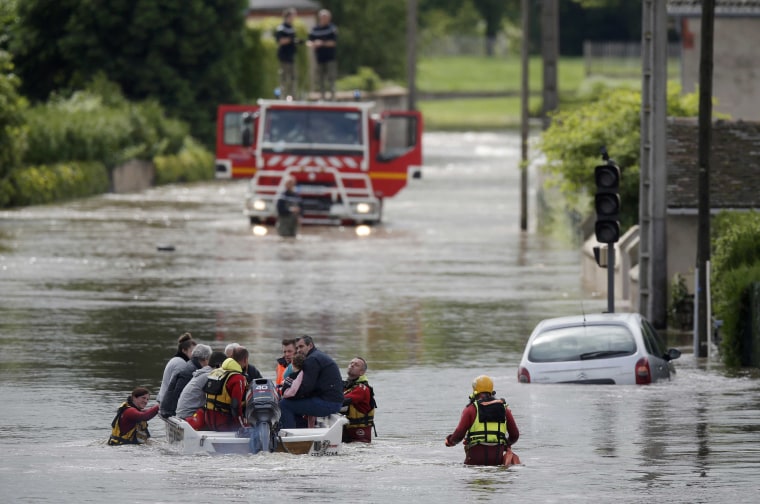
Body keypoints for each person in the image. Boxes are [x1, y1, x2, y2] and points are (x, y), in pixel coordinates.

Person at [444, 375, 520, 466]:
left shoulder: (471, 409)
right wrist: (506, 444)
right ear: (491, 391)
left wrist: (450, 441)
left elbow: (459, 435)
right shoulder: (504, 409)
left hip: (474, 463)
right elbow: (515, 435)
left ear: (475, 391)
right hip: (497, 462)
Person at [278, 335, 344, 428]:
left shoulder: (312, 359)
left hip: (329, 403)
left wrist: (289, 396)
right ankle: (300, 432)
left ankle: (290, 437)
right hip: (332, 401)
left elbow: (306, 387)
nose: (299, 350)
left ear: (310, 345)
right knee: (291, 402)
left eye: (301, 346)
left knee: (284, 404)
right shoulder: (317, 356)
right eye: (297, 348)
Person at [204, 346, 250, 431]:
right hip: (224, 424)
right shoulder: (238, 378)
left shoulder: (216, 372)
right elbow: (235, 407)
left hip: (209, 421)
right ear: (245, 360)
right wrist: (242, 426)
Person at [160, 343, 212, 418]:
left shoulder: (189, 365)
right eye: (209, 359)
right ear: (205, 359)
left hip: (167, 409)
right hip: (171, 412)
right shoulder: (192, 372)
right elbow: (178, 394)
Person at [176, 351, 227, 427]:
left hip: (181, 414)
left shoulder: (203, 373)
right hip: (189, 416)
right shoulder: (210, 376)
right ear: (219, 365)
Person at [342, 357, 376, 443]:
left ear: (362, 372)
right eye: (351, 363)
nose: (352, 365)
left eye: (356, 365)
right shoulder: (346, 386)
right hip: (347, 432)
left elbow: (342, 401)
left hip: (360, 438)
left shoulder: (362, 389)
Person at [156, 332, 196, 405]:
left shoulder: (176, 359)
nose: (194, 354)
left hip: (162, 399)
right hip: (167, 403)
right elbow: (174, 388)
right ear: (184, 350)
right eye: (192, 351)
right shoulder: (181, 364)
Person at [307, 9, 338, 101]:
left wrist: (322, 43)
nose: (324, 19)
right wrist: (313, 44)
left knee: (331, 78)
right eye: (322, 17)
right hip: (319, 58)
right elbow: (309, 42)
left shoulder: (332, 28)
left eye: (326, 17)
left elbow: (333, 43)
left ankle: (332, 97)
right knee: (320, 79)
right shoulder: (314, 29)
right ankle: (322, 97)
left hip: (330, 58)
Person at [275, 8, 299, 99]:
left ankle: (293, 96)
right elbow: (281, 41)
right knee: (284, 78)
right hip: (284, 56)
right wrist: (291, 40)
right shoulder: (281, 28)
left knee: (293, 78)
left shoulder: (292, 28)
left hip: (291, 56)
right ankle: (283, 96)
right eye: (293, 15)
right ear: (288, 16)